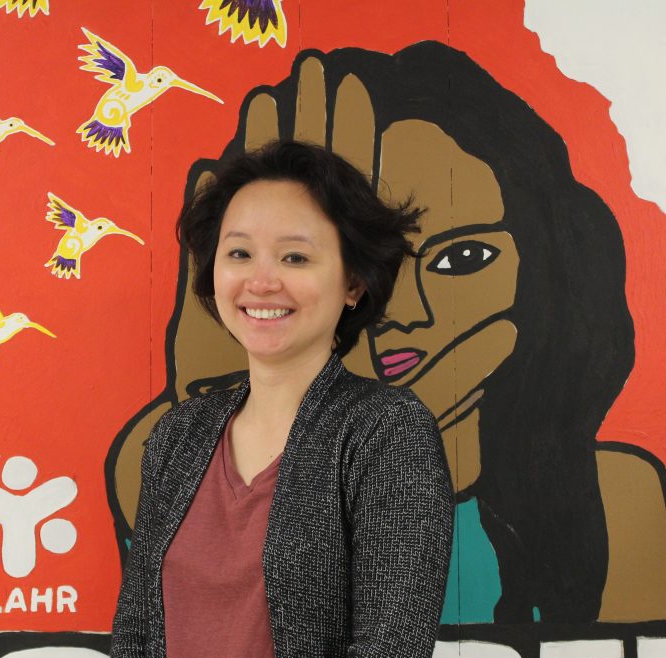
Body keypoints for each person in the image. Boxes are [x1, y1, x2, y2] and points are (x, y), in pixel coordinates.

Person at [109, 40, 666, 626]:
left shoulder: (608, 498)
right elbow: (153, 645)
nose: (405, 313)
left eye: (463, 258)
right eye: (240, 253)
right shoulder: (172, 445)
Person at [107, 140, 454, 658]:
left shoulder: (385, 432)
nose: (261, 281)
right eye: (239, 253)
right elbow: (135, 642)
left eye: (295, 256)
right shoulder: (178, 438)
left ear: (353, 282)